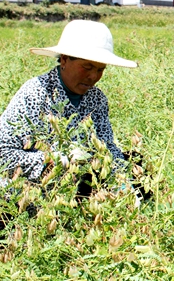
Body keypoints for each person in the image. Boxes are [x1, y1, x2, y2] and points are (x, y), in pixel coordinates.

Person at [0, 20, 137, 193]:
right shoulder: (36, 93)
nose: (93, 76)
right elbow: (3, 154)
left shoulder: (97, 99)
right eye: (87, 67)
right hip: (31, 193)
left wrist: (123, 180)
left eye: (100, 70)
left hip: (82, 191)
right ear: (64, 60)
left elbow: (108, 147)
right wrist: (51, 160)